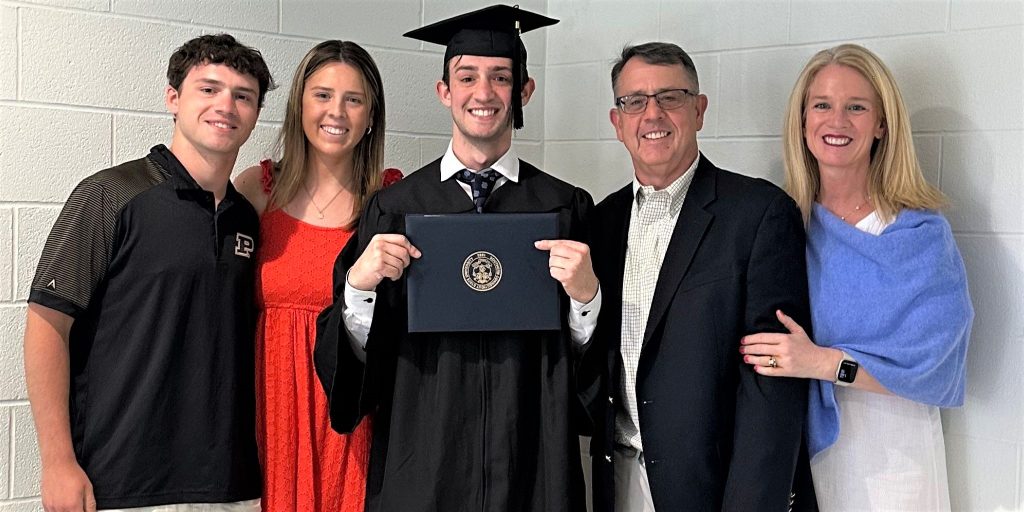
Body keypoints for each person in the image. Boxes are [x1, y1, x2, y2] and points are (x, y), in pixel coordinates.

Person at [313, 5, 599, 511]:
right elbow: (357, 373)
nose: (483, 93)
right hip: (424, 465)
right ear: (445, 90)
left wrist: (587, 300)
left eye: (501, 78)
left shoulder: (563, 206)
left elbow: (591, 375)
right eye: (466, 77)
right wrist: (358, 288)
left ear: (525, 91)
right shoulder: (396, 206)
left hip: (531, 465)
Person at [23, 34, 274, 511]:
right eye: (209, 89)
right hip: (120, 483)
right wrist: (57, 461)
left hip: (229, 485)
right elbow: (46, 326)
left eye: (243, 96)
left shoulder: (247, 218)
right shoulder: (110, 195)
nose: (226, 105)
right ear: (173, 98)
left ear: (256, 114)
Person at [739, 43, 973, 511]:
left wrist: (823, 363)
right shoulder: (779, 227)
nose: (837, 121)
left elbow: (937, 367)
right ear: (802, 120)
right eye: (822, 105)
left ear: (882, 124)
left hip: (896, 458)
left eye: (857, 108)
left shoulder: (919, 235)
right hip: (798, 459)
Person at [581, 42, 813, 511]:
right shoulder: (599, 224)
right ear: (617, 121)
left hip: (715, 490)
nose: (653, 114)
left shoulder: (758, 215)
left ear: (699, 110)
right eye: (635, 101)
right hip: (617, 480)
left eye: (671, 97)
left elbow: (773, 385)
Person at [233, 40, 400, 512]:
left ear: (371, 116)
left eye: (354, 99)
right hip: (269, 410)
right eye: (322, 95)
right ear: (299, 105)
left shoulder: (391, 199)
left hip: (352, 417)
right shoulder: (257, 190)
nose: (337, 112)